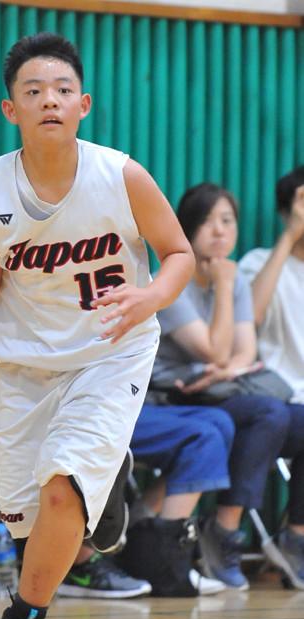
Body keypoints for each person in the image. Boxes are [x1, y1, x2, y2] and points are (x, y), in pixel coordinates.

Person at [0, 33, 195, 619]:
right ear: (10, 109)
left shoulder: (121, 176)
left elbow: (178, 253)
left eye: (63, 90)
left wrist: (151, 296)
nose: (50, 100)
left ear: (83, 104)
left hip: (110, 353)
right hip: (25, 365)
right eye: (34, 90)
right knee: (34, 523)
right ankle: (107, 488)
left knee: (65, 490)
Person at [0, 156, 151, 600]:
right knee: (28, 516)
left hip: (79, 363)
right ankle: (98, 491)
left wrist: (149, 296)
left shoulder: (97, 191)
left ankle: (32, 610)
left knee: (67, 463)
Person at [152, 182, 293, 591]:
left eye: (228, 221)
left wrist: (226, 369)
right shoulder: (171, 280)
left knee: (289, 418)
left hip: (216, 390)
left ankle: (272, 536)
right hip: (171, 398)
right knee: (262, 414)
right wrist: (226, 288)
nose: (219, 231)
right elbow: (213, 350)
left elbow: (243, 352)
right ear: (186, 228)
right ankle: (215, 534)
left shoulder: (233, 278)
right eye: (207, 221)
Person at [239, 166, 304, 588]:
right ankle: (295, 539)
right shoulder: (259, 263)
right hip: (275, 401)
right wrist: (290, 237)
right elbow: (252, 316)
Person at [119, 402, 234, 596]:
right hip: (102, 406)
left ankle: (140, 523)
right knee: (203, 437)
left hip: (142, 401)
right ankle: (168, 562)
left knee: (221, 422)